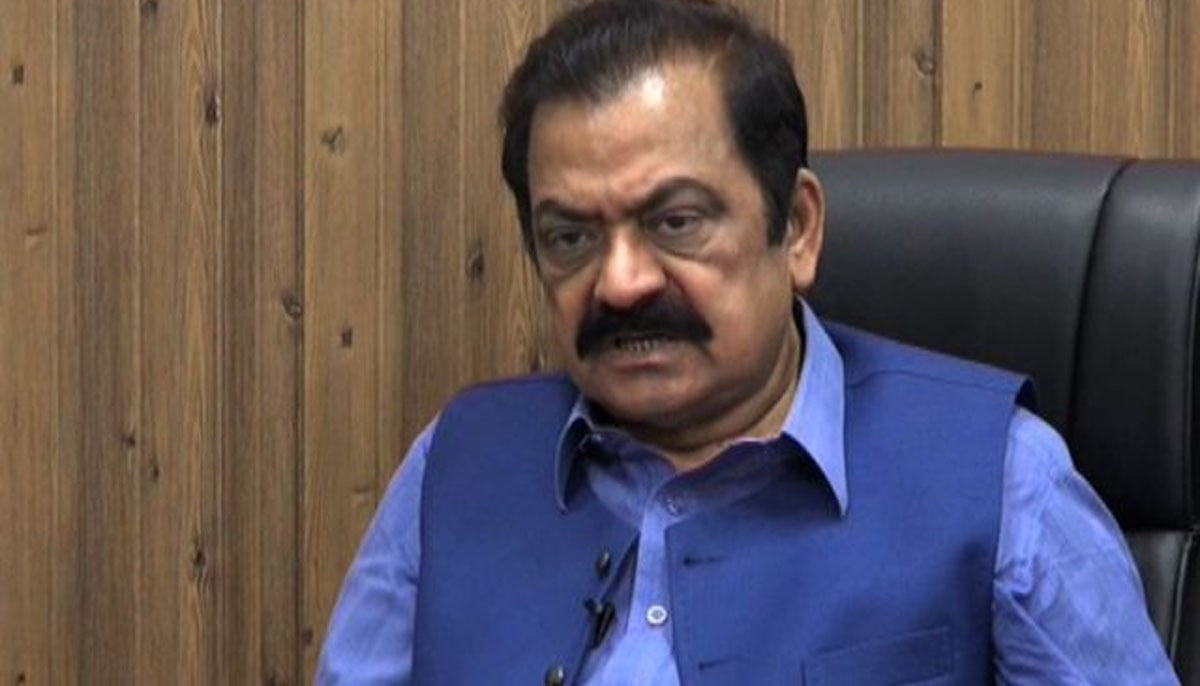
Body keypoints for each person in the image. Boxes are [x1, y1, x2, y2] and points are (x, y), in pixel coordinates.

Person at [316, 0, 1178, 683]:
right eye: (570, 237)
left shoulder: (1001, 479)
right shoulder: (457, 465)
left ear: (796, 227)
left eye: (676, 221)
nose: (621, 283)